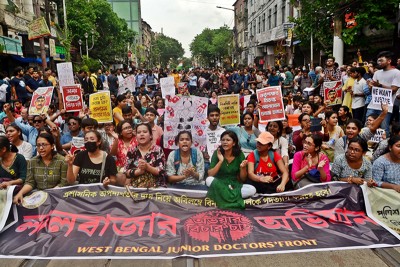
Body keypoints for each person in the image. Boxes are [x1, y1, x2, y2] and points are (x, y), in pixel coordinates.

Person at [206, 130, 256, 210]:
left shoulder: (240, 154)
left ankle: (223, 196)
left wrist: (242, 168)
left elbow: (243, 179)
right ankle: (232, 197)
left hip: (234, 185)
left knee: (252, 190)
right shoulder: (217, 153)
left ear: (234, 143)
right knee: (209, 180)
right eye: (223, 140)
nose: (225, 142)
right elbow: (210, 174)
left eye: (228, 140)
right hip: (220, 182)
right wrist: (220, 161)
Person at [13, 133, 67, 205]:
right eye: (38, 145)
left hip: (57, 197)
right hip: (38, 196)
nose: (41, 148)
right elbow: (30, 182)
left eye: (44, 145)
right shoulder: (32, 162)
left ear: (52, 146)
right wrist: (20, 193)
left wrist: (49, 194)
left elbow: (63, 183)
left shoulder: (62, 161)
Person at [125, 123, 166, 188]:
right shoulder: (132, 151)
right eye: (139, 132)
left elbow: (161, 171)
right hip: (135, 187)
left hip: (156, 188)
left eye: (145, 132)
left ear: (150, 136)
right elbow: (126, 171)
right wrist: (138, 172)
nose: (141, 134)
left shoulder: (157, 150)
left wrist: (148, 167)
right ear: (136, 136)